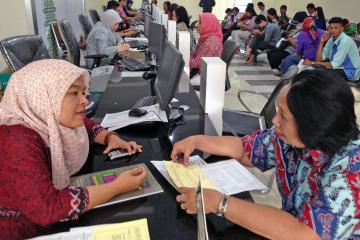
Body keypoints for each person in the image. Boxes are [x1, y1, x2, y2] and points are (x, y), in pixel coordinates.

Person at [172, 68, 360, 240]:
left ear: (313, 125)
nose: (274, 120)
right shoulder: (289, 138)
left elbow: (305, 234)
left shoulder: (350, 171)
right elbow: (244, 149)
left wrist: (220, 203)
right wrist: (196, 141)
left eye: (283, 116)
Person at [0, 59, 147, 239]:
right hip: (21, 228)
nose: (85, 100)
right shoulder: (17, 140)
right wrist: (117, 187)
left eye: (84, 92)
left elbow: (84, 123)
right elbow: (47, 208)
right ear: (43, 98)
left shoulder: (43, 119)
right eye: (74, 93)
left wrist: (110, 137)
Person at [304, 17, 360, 81]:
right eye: (331, 28)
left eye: (336, 28)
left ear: (342, 29)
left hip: (350, 71)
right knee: (316, 69)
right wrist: (321, 42)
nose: (333, 30)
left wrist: (312, 63)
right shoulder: (331, 40)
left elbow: (334, 64)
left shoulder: (345, 41)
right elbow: (319, 60)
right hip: (340, 68)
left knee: (320, 76)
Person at [189, 13, 223, 84]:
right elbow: (196, 54)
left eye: (200, 23)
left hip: (206, 76)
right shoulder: (205, 37)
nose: (197, 25)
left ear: (208, 25)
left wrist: (184, 59)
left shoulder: (212, 41)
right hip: (200, 70)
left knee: (180, 79)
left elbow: (198, 63)